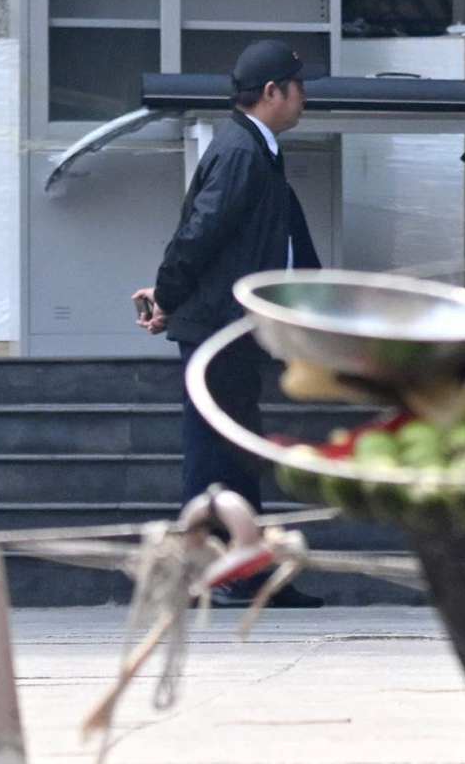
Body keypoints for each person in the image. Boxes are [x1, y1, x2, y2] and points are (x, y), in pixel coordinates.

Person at [135, 39, 322, 607]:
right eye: (298, 88)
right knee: (216, 452)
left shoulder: (257, 150)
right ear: (272, 93)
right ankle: (215, 575)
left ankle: (248, 572)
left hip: (232, 326)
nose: (304, 99)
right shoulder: (242, 151)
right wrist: (169, 294)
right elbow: (199, 233)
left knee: (235, 448)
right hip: (217, 328)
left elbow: (266, 236)